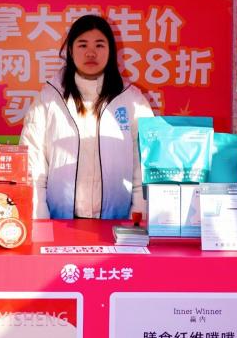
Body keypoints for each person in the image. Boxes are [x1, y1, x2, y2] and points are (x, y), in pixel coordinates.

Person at [20, 14, 154, 221]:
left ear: (110, 51)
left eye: (99, 45)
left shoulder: (132, 100)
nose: (91, 52)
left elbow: (143, 166)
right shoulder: (48, 99)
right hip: (60, 220)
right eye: (82, 45)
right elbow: (33, 163)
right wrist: (39, 219)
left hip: (118, 223)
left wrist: (138, 218)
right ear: (70, 51)